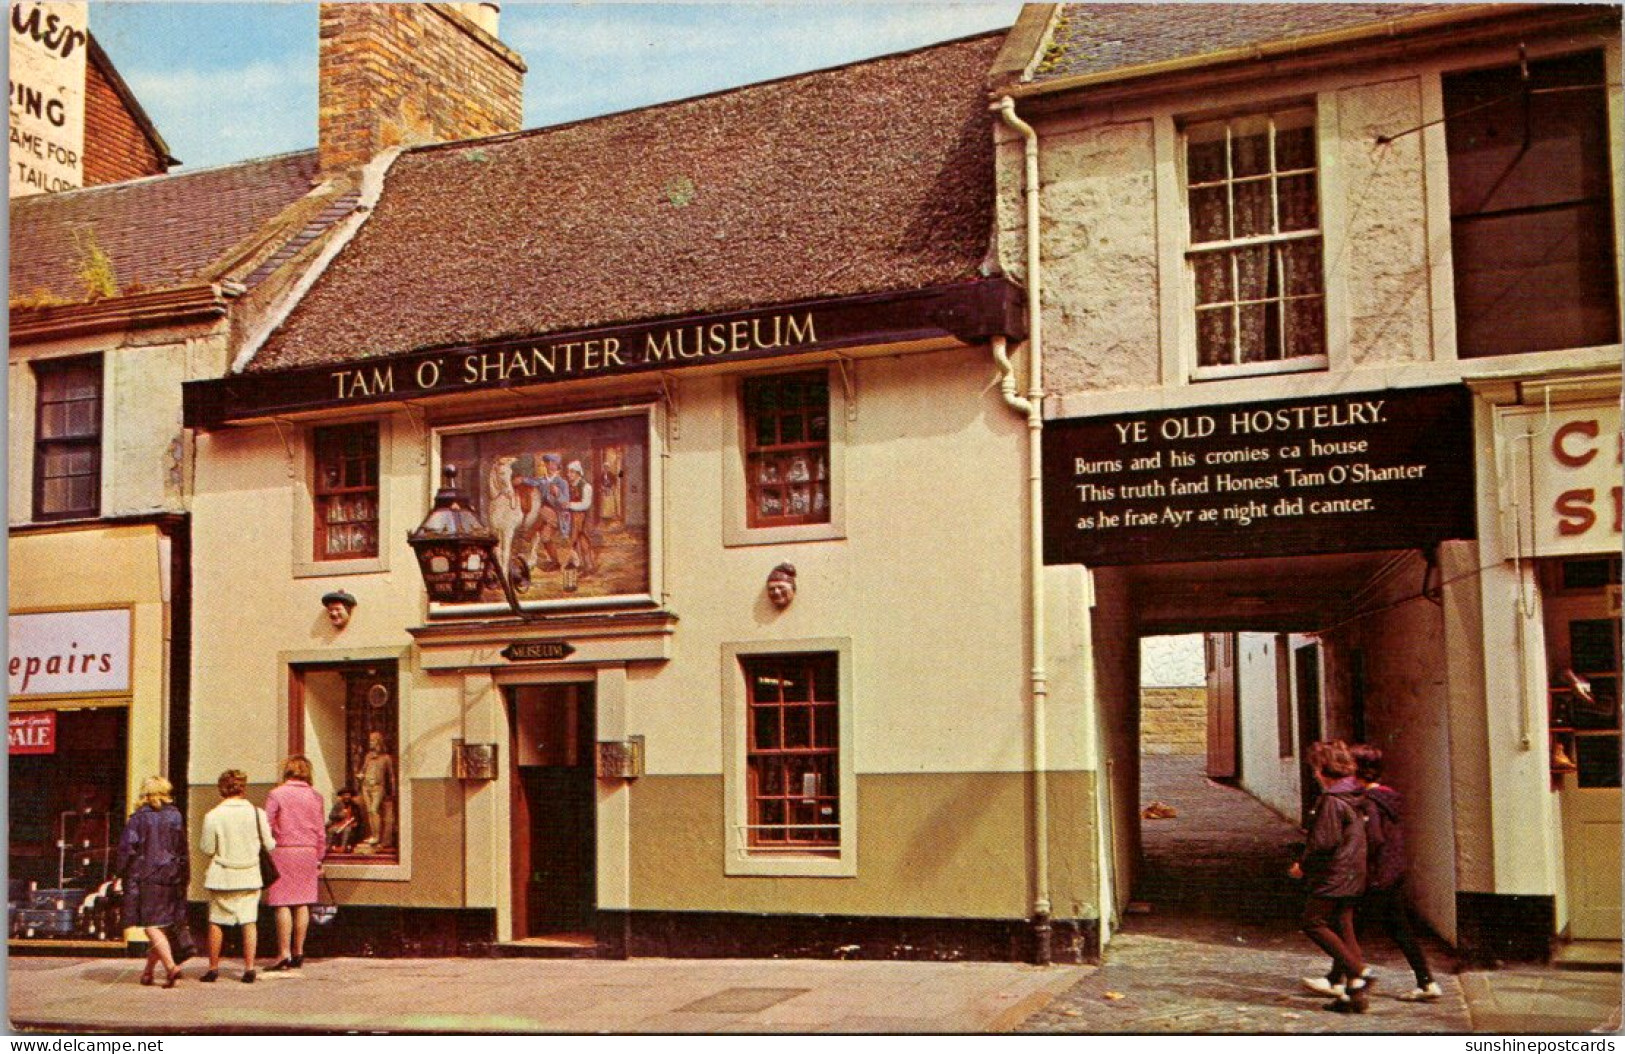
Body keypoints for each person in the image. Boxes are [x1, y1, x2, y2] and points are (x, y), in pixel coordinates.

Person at [1290, 740, 1372, 1013]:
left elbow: (1324, 842)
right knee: (1344, 927)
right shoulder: (1356, 795)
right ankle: (1353, 997)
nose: (1314, 774)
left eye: (1315, 768)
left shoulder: (1332, 801)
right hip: (1354, 872)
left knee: (1313, 922)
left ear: (1323, 769)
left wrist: (1303, 866)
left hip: (1335, 874)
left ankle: (1359, 974)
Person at [199, 769, 275, 983]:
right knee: (249, 921)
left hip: (222, 875)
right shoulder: (257, 813)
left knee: (216, 921)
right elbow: (269, 844)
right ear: (243, 787)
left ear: (222, 789)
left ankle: (213, 968)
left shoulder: (213, 815)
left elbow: (206, 848)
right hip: (249, 873)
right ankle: (249, 968)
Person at [116, 776, 190, 988]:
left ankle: (170, 966)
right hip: (172, 875)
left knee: (150, 925)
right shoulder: (175, 816)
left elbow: (127, 849)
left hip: (146, 876)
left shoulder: (138, 819)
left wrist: (119, 872)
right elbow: (182, 848)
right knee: (161, 926)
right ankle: (148, 972)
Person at [265, 755, 326, 972]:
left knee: (282, 903)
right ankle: (299, 950)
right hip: (308, 852)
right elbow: (321, 831)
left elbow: (267, 824)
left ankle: (284, 953)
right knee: (303, 902)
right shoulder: (316, 797)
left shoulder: (276, 794)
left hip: (283, 850)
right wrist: (319, 857)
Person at [357, 731, 396, 849]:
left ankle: (377, 836)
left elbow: (391, 775)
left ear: (379, 741)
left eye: (373, 741)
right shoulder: (368, 756)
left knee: (374, 810)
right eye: (370, 741)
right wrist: (360, 775)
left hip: (378, 787)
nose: (371, 743)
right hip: (366, 786)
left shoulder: (386, 758)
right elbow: (363, 770)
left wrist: (393, 790)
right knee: (369, 811)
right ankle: (373, 835)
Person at [327, 785, 364, 852]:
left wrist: (355, 823)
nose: (346, 797)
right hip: (339, 825)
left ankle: (343, 847)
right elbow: (331, 816)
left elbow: (359, 818)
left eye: (348, 795)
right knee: (331, 830)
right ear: (342, 796)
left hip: (349, 825)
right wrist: (339, 815)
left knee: (347, 830)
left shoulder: (355, 806)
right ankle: (328, 847)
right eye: (345, 795)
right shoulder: (337, 805)